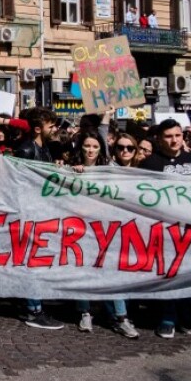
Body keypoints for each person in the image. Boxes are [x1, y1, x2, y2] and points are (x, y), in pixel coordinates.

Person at [139, 119, 191, 342]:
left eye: (177, 135)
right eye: (168, 136)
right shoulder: (149, 163)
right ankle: (168, 317)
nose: (174, 140)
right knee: (168, 274)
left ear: (183, 137)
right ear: (159, 139)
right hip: (165, 229)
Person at [69, 132, 139, 338]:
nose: (90, 150)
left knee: (111, 272)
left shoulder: (110, 170)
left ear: (101, 149)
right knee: (82, 270)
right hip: (80, 228)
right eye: (87, 146)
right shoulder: (71, 168)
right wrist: (72, 172)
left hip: (106, 228)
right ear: (80, 147)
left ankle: (120, 317)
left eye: (95, 147)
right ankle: (85, 312)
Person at [13, 108, 65, 330]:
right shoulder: (25, 150)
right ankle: (33, 310)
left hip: (41, 212)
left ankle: (35, 305)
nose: (54, 129)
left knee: (38, 261)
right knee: (31, 262)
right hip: (28, 213)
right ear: (37, 129)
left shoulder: (46, 149)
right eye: (50, 126)